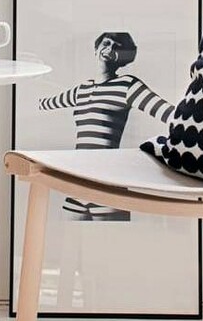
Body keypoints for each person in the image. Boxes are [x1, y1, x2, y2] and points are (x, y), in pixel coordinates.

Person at [39, 32, 174, 220]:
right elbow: (45, 103)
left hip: (108, 183)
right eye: (106, 43)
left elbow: (169, 114)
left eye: (117, 47)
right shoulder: (81, 89)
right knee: (68, 241)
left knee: (114, 241)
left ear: (125, 57)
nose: (109, 49)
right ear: (96, 49)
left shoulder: (127, 85)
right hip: (77, 182)